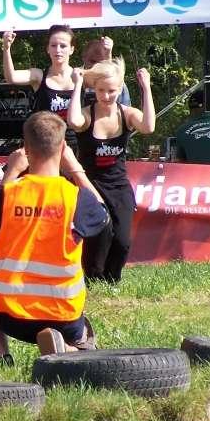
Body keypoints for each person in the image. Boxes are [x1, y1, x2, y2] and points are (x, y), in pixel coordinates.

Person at [0, 112, 109, 369]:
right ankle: (68, 349)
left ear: (25, 148)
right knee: (87, 342)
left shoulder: (7, 195)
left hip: (9, 316)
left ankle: (2, 357)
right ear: (63, 147)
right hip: (62, 318)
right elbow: (103, 214)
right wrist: (76, 169)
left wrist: (12, 171)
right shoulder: (74, 198)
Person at [67, 57, 155, 283]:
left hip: (118, 185)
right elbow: (74, 121)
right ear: (94, 89)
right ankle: (93, 278)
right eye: (101, 90)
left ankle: (112, 279)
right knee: (100, 234)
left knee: (122, 240)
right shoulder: (88, 114)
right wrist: (77, 85)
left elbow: (148, 126)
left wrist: (146, 88)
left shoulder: (127, 114)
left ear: (120, 88)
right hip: (91, 185)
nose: (106, 96)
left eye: (112, 91)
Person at [2, 25, 81, 151]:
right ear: (48, 49)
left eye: (63, 46)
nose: (58, 50)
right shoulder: (39, 75)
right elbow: (11, 77)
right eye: (53, 45)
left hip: (76, 144)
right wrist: (6, 48)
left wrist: (108, 53)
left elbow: (110, 80)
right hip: (46, 145)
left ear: (71, 49)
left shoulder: (81, 75)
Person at [81, 36, 131, 106]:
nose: (95, 67)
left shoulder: (117, 82)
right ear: (84, 57)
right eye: (92, 61)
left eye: (100, 62)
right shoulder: (74, 80)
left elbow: (125, 108)